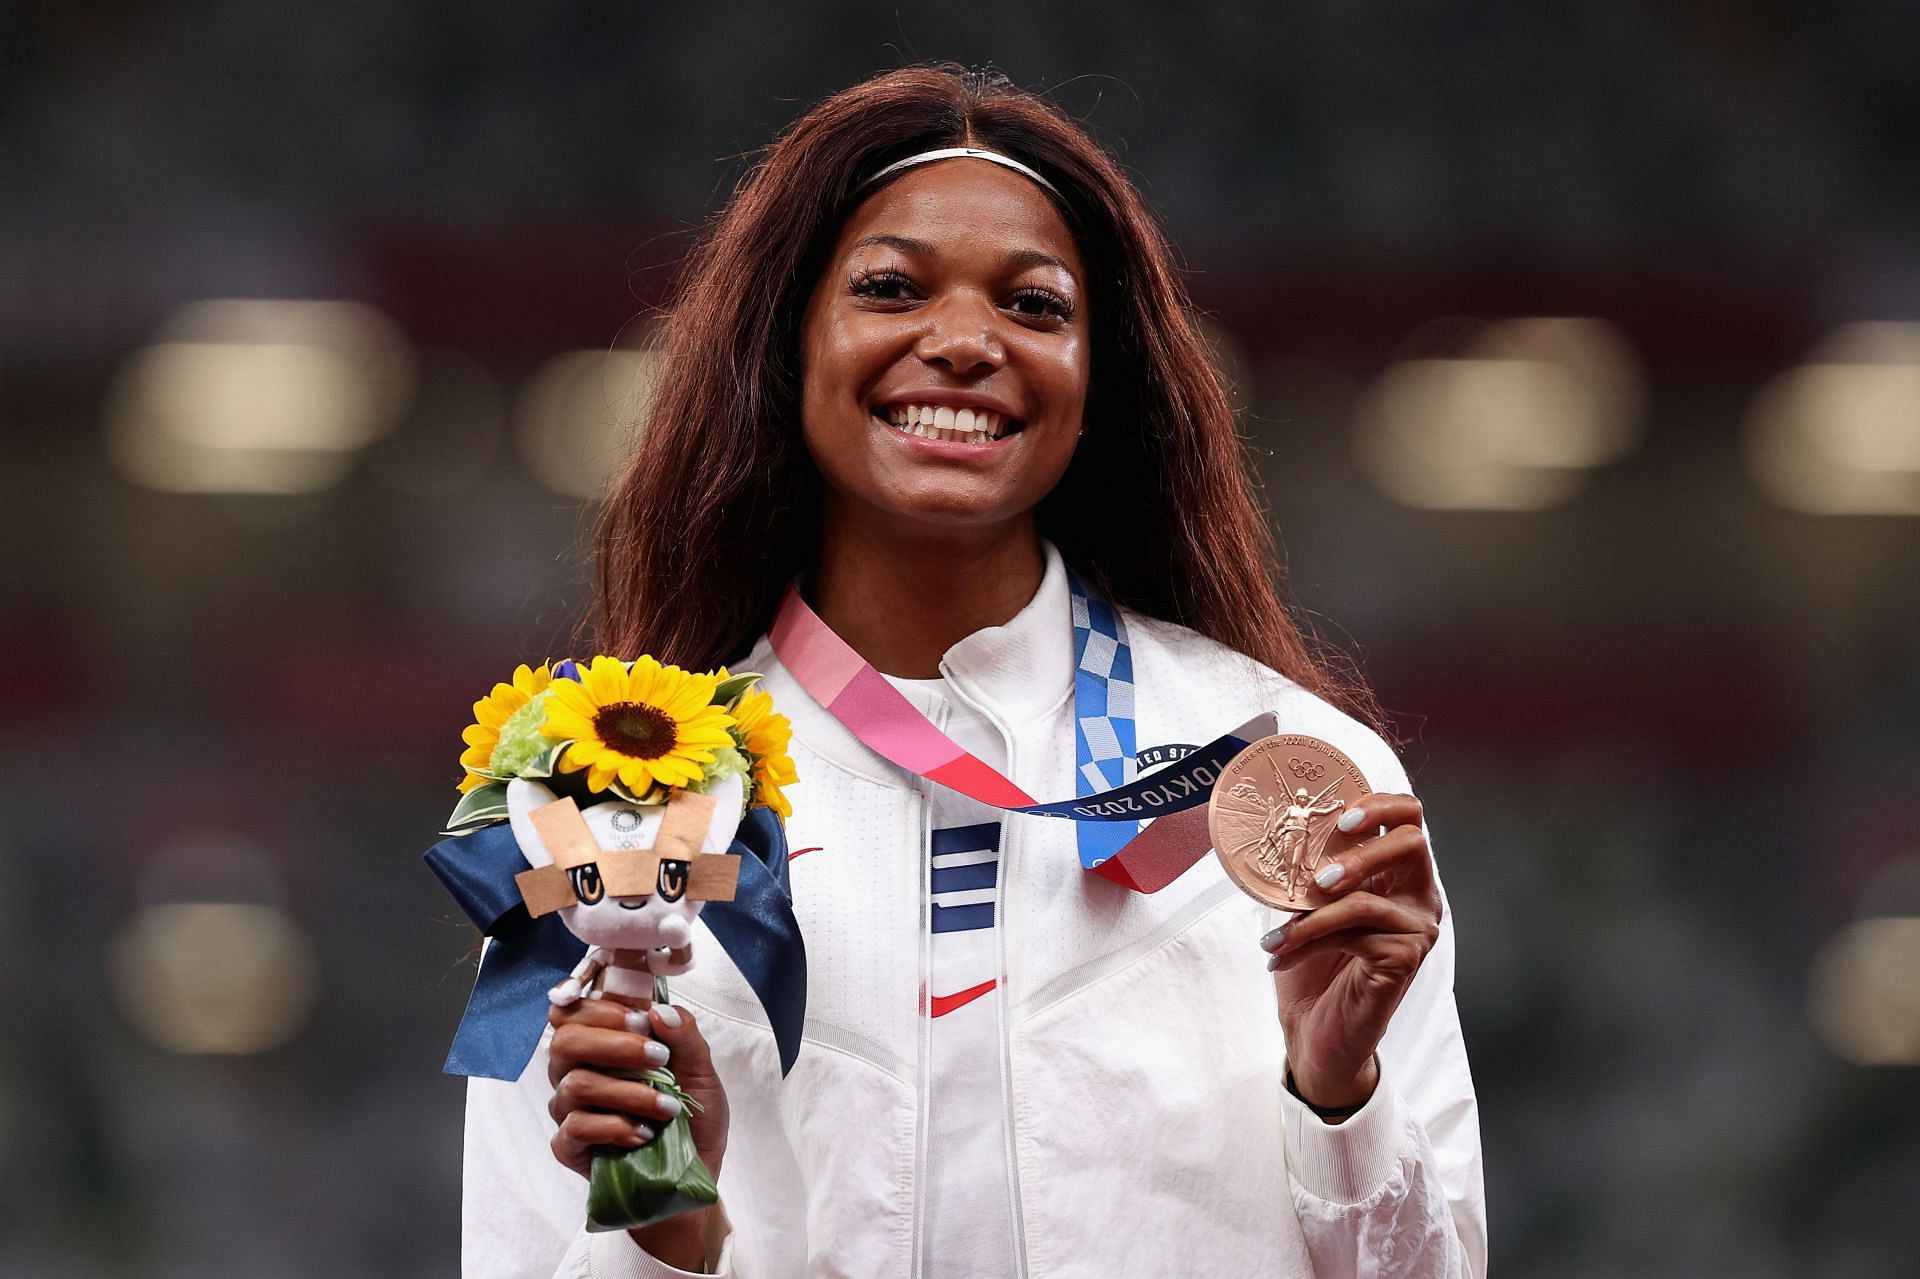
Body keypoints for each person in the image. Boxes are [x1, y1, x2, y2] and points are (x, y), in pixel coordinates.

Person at [462, 63, 1485, 1278]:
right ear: (787, 347)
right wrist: (671, 1236)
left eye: (1036, 306)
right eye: (890, 289)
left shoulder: (1291, 775)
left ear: (1101, 382)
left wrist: (1338, 1095)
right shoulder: (608, 804)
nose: (961, 343)